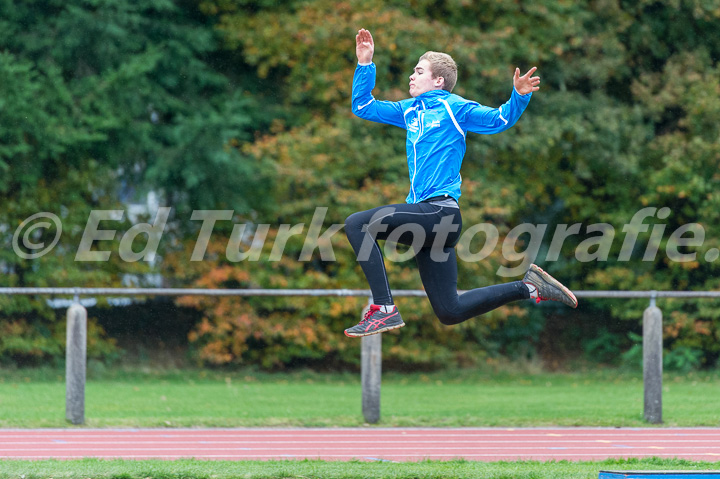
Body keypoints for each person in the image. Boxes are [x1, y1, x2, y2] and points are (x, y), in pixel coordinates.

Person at [344, 28, 577, 338]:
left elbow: (499, 120)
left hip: (440, 213)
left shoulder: (455, 107)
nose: (411, 77)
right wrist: (365, 64)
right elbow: (362, 106)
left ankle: (383, 309)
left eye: (419, 71)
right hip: (429, 222)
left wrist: (518, 97)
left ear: (438, 81)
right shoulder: (408, 110)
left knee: (358, 224)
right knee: (450, 311)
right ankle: (528, 287)